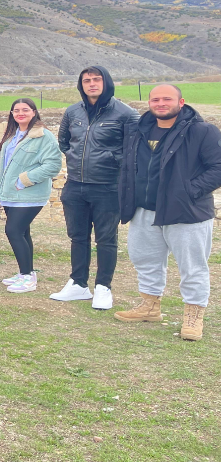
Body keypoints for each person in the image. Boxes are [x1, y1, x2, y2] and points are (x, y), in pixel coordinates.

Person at [114, 85, 221, 341]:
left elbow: (217, 167)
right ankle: (150, 307)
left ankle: (193, 317)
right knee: (145, 259)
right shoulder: (139, 130)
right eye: (155, 99)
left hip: (186, 211)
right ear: (149, 102)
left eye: (167, 99)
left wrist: (188, 191)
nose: (161, 103)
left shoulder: (202, 131)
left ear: (181, 102)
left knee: (192, 266)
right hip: (144, 209)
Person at [51, 66, 139, 310]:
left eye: (96, 79)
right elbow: (64, 141)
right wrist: (75, 157)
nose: (91, 84)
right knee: (77, 236)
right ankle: (78, 284)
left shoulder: (125, 113)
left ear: (106, 82)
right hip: (75, 185)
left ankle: (103, 287)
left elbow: (134, 149)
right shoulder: (72, 112)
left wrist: (112, 160)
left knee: (106, 239)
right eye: (86, 80)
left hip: (108, 186)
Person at [0, 99, 62, 293]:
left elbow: (52, 165)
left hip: (29, 193)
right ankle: (26, 273)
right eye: (16, 110)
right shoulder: (12, 135)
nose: (20, 113)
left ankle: (27, 277)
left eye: (25, 110)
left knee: (13, 231)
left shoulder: (44, 136)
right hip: (10, 194)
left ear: (34, 112)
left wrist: (23, 180)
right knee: (23, 233)